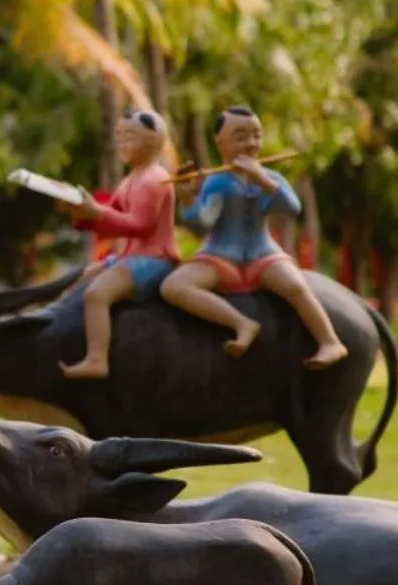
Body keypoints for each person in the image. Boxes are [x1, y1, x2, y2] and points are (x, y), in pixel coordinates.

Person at [162, 106, 348, 369]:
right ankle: (241, 323)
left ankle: (330, 341)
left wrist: (263, 180)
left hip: (264, 257)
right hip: (221, 257)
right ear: (221, 142)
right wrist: (187, 199)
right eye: (240, 137)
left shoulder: (271, 177)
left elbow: (291, 208)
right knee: (174, 286)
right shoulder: (217, 182)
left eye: (256, 136)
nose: (251, 144)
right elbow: (203, 224)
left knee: (295, 286)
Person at [58, 109, 181, 381]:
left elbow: (139, 225)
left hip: (153, 260)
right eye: (120, 137)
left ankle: (97, 359)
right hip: (129, 257)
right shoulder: (130, 179)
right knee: (77, 284)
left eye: (130, 137)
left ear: (151, 142)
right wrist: (80, 211)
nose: (122, 144)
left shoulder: (154, 179)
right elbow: (109, 216)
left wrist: (95, 212)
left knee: (96, 295)